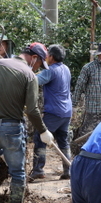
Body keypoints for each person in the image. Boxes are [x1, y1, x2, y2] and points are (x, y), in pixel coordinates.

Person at [0, 42, 54, 203]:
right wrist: (43, 131)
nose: (38, 69)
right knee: (18, 173)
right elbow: (32, 110)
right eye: (39, 64)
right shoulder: (29, 76)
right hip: (11, 128)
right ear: (34, 58)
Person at [29, 44, 72, 181]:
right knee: (63, 141)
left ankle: (38, 170)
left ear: (51, 57)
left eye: (47, 55)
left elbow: (34, 81)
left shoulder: (51, 70)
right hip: (66, 112)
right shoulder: (66, 69)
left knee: (40, 138)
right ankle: (68, 170)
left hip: (54, 112)